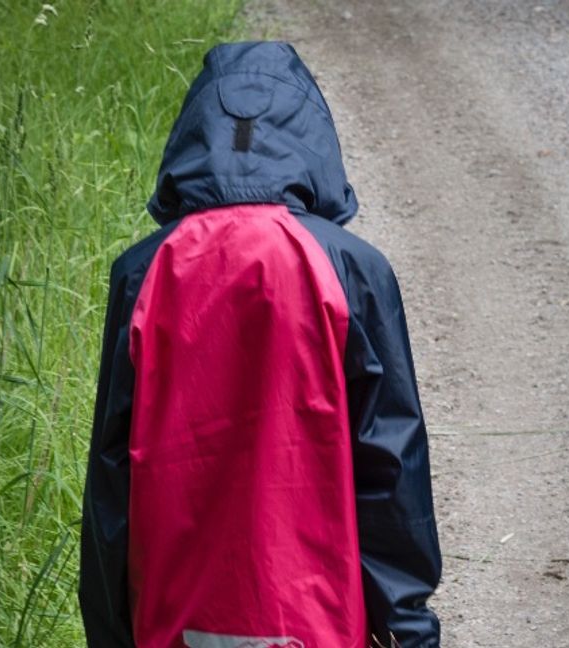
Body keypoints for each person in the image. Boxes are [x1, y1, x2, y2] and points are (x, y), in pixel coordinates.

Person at [78, 41, 442, 648]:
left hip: (173, 625)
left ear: (194, 138)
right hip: (319, 625)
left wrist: (111, 635)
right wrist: (408, 629)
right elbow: (391, 465)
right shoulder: (353, 269)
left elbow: (110, 479)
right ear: (312, 141)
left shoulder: (144, 272)